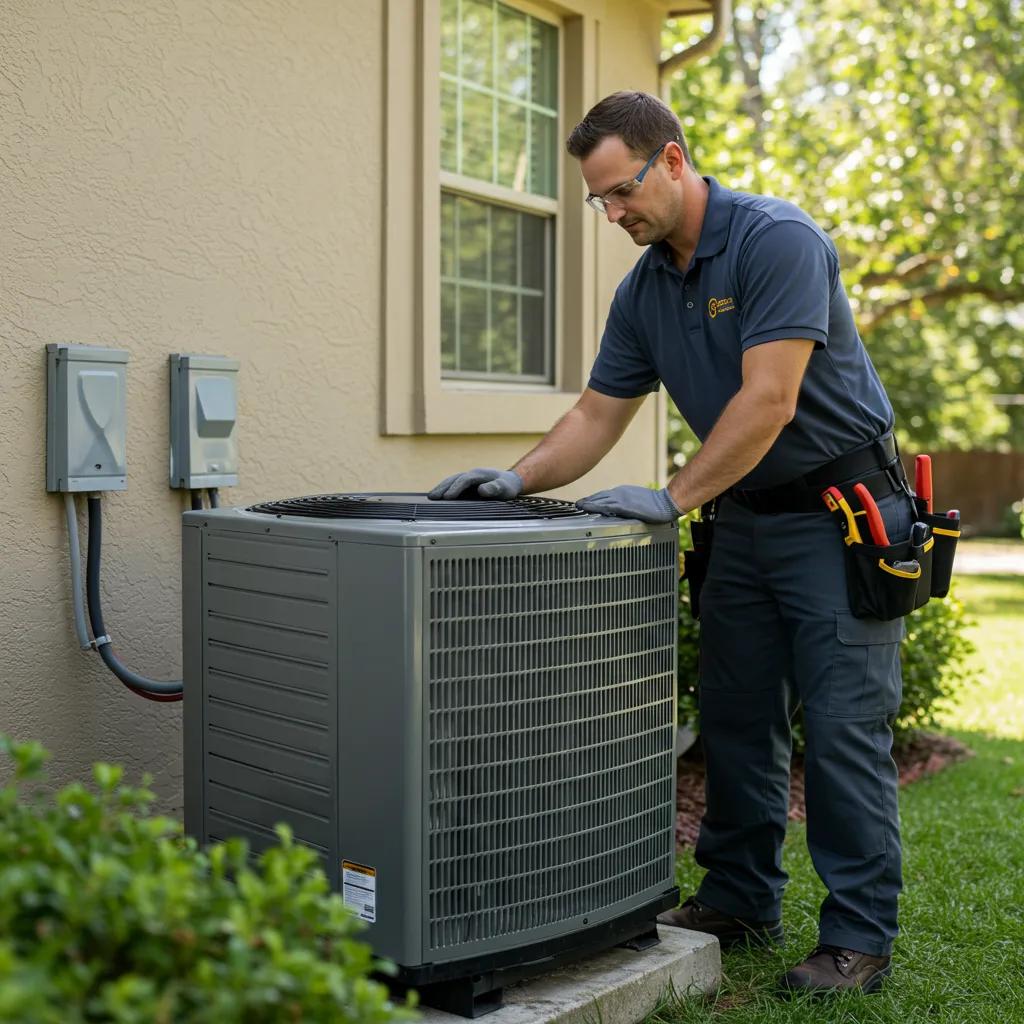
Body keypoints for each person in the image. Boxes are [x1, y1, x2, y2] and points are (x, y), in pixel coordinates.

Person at [429, 91, 910, 996]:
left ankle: (857, 939)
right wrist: (515, 480)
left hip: (838, 516)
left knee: (844, 729)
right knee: (734, 720)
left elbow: (770, 399)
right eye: (598, 201)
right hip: (745, 522)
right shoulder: (646, 289)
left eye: (621, 192)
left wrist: (671, 498)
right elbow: (595, 413)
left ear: (674, 160)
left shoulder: (777, 242)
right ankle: (738, 898)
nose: (613, 214)